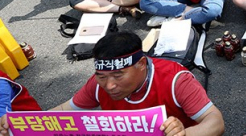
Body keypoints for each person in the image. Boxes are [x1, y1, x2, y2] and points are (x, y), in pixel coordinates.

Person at [47, 32, 224, 136]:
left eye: (118, 75)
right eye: (101, 76)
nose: (109, 86)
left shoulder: (176, 80)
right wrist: (24, 125)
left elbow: (215, 121)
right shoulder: (97, 84)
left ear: (141, 64)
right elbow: (64, 111)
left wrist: (183, 133)